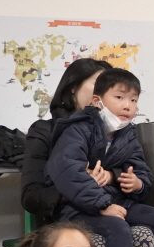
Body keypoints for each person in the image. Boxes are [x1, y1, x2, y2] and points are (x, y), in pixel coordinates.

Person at [47, 67, 154, 247]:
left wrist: (137, 183)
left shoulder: (127, 134)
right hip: (78, 208)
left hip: (115, 201)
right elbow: (67, 171)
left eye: (133, 100)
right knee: (118, 227)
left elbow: (141, 171)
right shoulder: (77, 128)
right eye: (119, 97)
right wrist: (102, 205)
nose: (128, 106)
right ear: (97, 101)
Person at [20, 57, 110, 224]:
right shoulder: (44, 130)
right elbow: (31, 197)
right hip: (65, 222)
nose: (104, 93)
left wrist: (112, 176)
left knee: (146, 229)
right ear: (73, 87)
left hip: (111, 211)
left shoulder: (112, 132)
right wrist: (79, 186)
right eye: (99, 84)